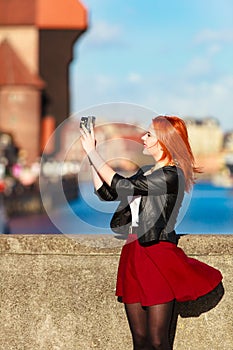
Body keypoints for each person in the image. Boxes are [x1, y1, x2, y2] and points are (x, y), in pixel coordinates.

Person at [80, 115, 223, 350]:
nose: (142, 138)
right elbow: (108, 193)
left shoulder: (171, 175)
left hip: (157, 254)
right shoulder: (146, 171)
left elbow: (122, 186)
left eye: (149, 134)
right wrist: (91, 154)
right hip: (133, 252)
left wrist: (94, 154)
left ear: (163, 141)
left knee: (157, 340)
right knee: (140, 339)